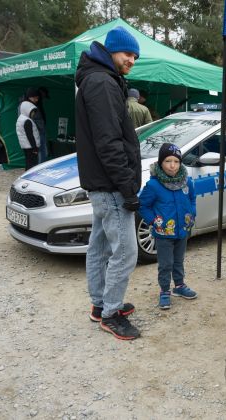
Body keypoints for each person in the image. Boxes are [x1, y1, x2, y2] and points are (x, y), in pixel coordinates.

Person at [75, 26, 142, 340]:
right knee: (127, 252)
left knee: (100, 246)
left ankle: (100, 304)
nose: (131, 60)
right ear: (112, 50)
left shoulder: (100, 78)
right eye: (127, 53)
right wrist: (127, 186)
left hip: (102, 183)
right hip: (111, 184)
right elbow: (108, 142)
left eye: (135, 56)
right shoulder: (102, 81)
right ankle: (111, 313)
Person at [138, 143, 197, 310]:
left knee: (179, 261)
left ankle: (179, 286)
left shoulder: (187, 182)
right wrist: (153, 221)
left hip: (182, 230)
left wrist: (192, 213)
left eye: (176, 161)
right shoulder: (154, 186)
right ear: (160, 163)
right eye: (168, 161)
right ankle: (164, 290)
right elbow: (143, 206)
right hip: (163, 233)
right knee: (165, 263)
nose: (172, 165)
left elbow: (192, 199)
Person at [20, 87, 48, 163]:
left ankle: (39, 166)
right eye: (36, 98)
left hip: (37, 130)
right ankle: (40, 168)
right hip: (36, 130)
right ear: (30, 97)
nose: (37, 100)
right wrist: (39, 128)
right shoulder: (28, 106)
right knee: (39, 152)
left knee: (39, 151)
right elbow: (30, 121)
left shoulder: (28, 104)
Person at [16, 101, 40, 170]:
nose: (33, 114)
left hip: (26, 146)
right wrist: (34, 148)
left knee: (28, 162)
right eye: (32, 112)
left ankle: (28, 176)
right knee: (32, 165)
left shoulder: (20, 119)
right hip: (30, 147)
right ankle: (31, 178)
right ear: (27, 110)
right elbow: (30, 136)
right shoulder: (27, 121)